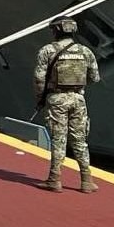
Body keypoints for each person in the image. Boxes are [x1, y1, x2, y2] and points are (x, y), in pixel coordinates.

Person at [33, 16, 101, 194]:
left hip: (56, 99)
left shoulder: (47, 51)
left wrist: (41, 99)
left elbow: (39, 79)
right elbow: (94, 77)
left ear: (56, 30)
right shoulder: (85, 52)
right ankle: (86, 180)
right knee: (80, 140)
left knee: (59, 139)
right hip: (78, 99)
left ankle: (54, 180)